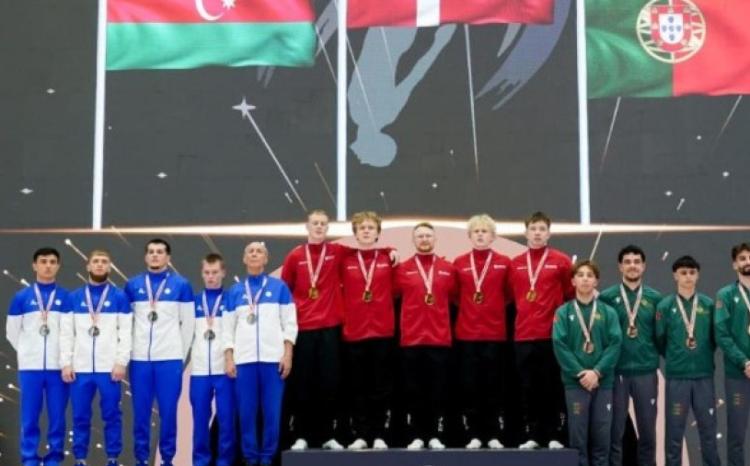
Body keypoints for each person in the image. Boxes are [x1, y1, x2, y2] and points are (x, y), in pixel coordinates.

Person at [224, 242, 298, 466]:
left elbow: (290, 323)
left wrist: (287, 354)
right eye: (250, 251)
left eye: (259, 252)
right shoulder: (235, 291)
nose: (255, 254)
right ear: (244, 259)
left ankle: (267, 457)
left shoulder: (279, 288)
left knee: (272, 412)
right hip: (244, 360)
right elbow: (227, 328)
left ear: (266, 259)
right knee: (246, 412)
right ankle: (250, 456)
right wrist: (229, 357)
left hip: (272, 360)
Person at [125, 238, 195, 466]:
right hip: (140, 361)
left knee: (168, 412)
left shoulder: (181, 285)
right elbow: (125, 324)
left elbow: (188, 324)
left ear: (168, 257)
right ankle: (141, 459)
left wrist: (179, 356)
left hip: (169, 361)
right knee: (141, 414)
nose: (155, 255)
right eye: (151, 251)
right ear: (146, 256)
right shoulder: (133, 285)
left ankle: (167, 459)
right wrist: (129, 352)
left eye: (160, 251)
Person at [281, 210, 346, 450]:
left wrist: (389, 250)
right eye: (315, 223)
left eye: (323, 224)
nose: (319, 227)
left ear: (328, 228)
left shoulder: (337, 251)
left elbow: (365, 249)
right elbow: (285, 291)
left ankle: (327, 435)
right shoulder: (295, 255)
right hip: (304, 327)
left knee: (328, 382)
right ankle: (302, 435)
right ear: (307, 226)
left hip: (330, 327)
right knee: (303, 383)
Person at [60, 250, 132, 466]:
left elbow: (126, 333)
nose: (100, 265)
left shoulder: (120, 297)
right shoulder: (73, 298)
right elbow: (66, 334)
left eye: (104, 262)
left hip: (109, 369)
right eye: (96, 261)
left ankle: (112, 457)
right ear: (88, 266)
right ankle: (80, 458)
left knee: (112, 415)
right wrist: (66, 363)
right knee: (80, 416)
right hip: (80, 369)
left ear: (109, 267)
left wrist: (121, 362)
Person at [509, 211, 573, 449]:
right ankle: (532, 435)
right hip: (523, 335)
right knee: (528, 388)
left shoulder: (561, 261)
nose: (537, 233)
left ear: (549, 233)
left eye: (542, 229)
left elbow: (570, 293)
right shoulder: (515, 263)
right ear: (526, 232)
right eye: (533, 229)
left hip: (551, 335)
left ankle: (554, 434)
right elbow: (510, 295)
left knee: (552, 386)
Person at [394, 222, 457, 450]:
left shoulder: (448, 269)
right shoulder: (402, 269)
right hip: (412, 339)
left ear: (435, 239)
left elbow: (457, 297)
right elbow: (392, 295)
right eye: (419, 236)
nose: (424, 239)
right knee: (414, 390)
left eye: (428, 235)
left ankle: (434, 435)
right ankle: (417, 435)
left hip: (439, 338)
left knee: (437, 390)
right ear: (413, 240)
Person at [552, 260, 622, 466]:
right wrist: (581, 373)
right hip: (576, 383)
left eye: (589, 275)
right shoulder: (563, 312)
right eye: (580, 275)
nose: (585, 279)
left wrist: (597, 372)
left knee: (602, 436)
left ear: (596, 281)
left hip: (603, 383)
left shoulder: (608, 312)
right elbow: (559, 344)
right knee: (578, 439)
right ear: (573, 281)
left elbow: (615, 344)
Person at [6, 247, 70, 466]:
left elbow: (70, 332)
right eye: (43, 261)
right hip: (30, 368)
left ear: (58, 266)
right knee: (30, 416)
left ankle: (54, 457)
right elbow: (12, 332)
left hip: (58, 368)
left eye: (52, 262)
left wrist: (64, 359)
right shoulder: (21, 297)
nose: (48, 266)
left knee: (57, 417)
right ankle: (29, 458)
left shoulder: (66, 297)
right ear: (35, 265)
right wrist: (27, 350)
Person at [452, 214, 512, 449]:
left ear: (493, 236)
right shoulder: (459, 263)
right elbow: (454, 295)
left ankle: (493, 433)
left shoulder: (504, 262)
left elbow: (509, 294)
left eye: (484, 231)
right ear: (469, 236)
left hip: (494, 334)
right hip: (467, 334)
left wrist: (492, 308)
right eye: (476, 231)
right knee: (471, 386)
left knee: (493, 385)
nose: (480, 235)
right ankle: (474, 433)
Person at [598, 245, 661, 466]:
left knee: (648, 433)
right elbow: (601, 336)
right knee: (615, 433)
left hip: (646, 372)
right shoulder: (607, 298)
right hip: (616, 373)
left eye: (636, 262)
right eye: (627, 262)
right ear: (620, 266)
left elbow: (661, 335)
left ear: (643, 266)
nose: (632, 266)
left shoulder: (655, 298)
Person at [340, 211, 396, 450]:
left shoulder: (388, 259)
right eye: (361, 227)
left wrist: (388, 249)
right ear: (355, 233)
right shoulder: (345, 260)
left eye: (371, 227)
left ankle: (379, 433)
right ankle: (361, 434)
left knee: (380, 387)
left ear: (377, 233)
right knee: (358, 387)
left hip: (382, 331)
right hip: (354, 331)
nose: (366, 231)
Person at [656, 256, 720, 466]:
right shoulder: (665, 306)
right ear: (675, 275)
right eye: (683, 273)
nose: (688, 277)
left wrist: (701, 356)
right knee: (674, 433)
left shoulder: (708, 305)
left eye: (692, 272)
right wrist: (676, 357)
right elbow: (660, 340)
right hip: (677, 378)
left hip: (703, 377)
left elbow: (715, 339)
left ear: (698, 275)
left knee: (708, 432)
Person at [190, 253, 235, 466]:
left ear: (223, 273)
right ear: (202, 274)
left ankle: (225, 462)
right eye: (207, 272)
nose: (211, 277)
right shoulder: (193, 302)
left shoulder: (231, 301)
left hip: (225, 369)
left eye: (215, 272)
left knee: (227, 420)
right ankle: (200, 461)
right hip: (200, 371)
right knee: (200, 421)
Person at [715, 243, 750, 466]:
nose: (748, 262)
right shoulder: (726, 295)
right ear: (734, 264)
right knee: (737, 434)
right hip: (739, 374)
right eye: (743, 258)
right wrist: (744, 362)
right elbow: (722, 334)